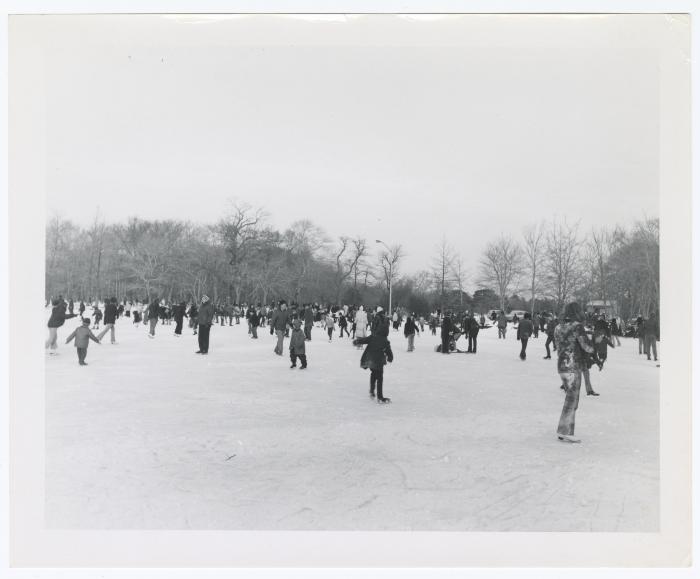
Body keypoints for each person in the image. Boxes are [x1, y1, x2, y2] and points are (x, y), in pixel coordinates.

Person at [555, 302, 600, 443]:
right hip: (573, 365)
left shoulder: (558, 327)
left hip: (562, 365)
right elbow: (587, 347)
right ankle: (565, 431)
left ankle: (565, 429)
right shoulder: (577, 327)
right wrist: (596, 342)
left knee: (570, 397)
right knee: (572, 399)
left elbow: (558, 346)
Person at [353, 322, 394, 403]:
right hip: (378, 362)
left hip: (370, 360)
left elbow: (364, 340)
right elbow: (389, 352)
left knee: (373, 374)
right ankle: (380, 397)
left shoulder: (373, 336)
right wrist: (390, 358)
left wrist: (357, 341)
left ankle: (372, 391)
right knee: (379, 378)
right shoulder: (385, 340)